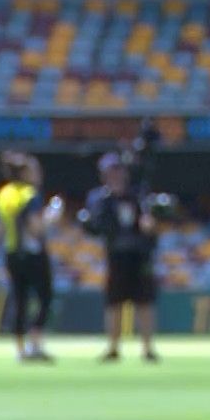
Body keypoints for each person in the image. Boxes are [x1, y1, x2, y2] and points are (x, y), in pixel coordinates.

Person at [80, 153, 160, 363]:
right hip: (115, 253)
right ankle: (113, 347)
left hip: (140, 253)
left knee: (144, 301)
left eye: (118, 171)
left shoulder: (139, 194)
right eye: (110, 172)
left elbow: (152, 222)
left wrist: (150, 224)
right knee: (114, 302)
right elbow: (94, 226)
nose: (115, 176)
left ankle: (147, 347)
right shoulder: (99, 199)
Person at [0, 150, 59, 363]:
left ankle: (20, 349)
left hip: (11, 252)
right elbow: (36, 228)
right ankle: (35, 343)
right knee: (45, 297)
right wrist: (52, 216)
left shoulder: (3, 194)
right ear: (25, 173)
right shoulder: (30, 194)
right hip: (33, 253)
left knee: (19, 299)